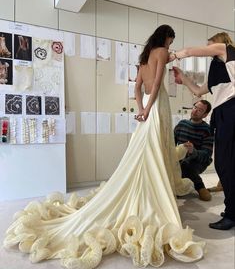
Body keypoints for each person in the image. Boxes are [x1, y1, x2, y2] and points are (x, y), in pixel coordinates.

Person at [3, 25, 205, 268]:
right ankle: (155, 193)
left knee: (145, 150)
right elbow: (159, 81)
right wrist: (150, 109)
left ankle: (151, 187)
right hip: (158, 106)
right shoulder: (161, 51)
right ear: (166, 36)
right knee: (157, 150)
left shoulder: (143, 59)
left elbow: (137, 88)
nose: (170, 45)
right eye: (171, 40)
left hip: (147, 110)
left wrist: (140, 109)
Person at [172, 32, 235, 230]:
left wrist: (174, 55)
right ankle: (232, 209)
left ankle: (232, 214)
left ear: (219, 42)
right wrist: (183, 77)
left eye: (209, 44)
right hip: (222, 113)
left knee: (225, 164)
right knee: (226, 164)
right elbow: (199, 91)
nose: (207, 48)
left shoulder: (226, 49)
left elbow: (192, 51)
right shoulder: (218, 68)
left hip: (231, 110)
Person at [174, 100, 213, 201]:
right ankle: (177, 187)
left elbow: (207, 154)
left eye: (200, 110)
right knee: (173, 165)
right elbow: (171, 144)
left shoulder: (207, 129)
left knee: (185, 165)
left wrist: (193, 151)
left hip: (199, 161)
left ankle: (200, 187)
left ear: (205, 115)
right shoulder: (182, 124)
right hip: (181, 158)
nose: (195, 111)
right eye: (195, 107)